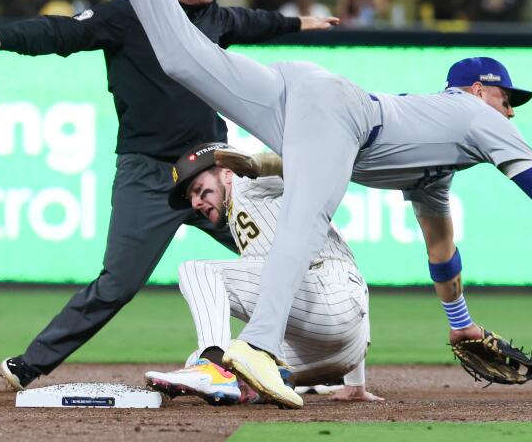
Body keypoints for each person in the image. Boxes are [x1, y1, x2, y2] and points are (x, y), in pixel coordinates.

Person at [41, 0, 532, 409]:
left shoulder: (438, 162)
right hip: (331, 112)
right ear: (480, 88)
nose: (511, 110)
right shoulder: (478, 116)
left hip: (306, 102)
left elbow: (441, 247)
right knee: (307, 220)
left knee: (180, 55)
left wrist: (461, 325)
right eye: (509, 96)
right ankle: (254, 347)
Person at [0, 0, 338, 392]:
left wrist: (302, 23)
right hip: (148, 174)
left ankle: (301, 362)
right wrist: (3, 37)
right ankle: (31, 364)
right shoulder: (127, 15)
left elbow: (259, 21)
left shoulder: (215, 19)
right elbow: (62, 31)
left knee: (285, 257)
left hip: (215, 170)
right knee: (118, 283)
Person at [143, 143, 381, 405]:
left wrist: (258, 165)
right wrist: (355, 384)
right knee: (214, 358)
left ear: (226, 172)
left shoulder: (246, 182)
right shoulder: (239, 217)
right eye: (191, 197)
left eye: (199, 190)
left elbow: (307, 167)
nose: (196, 202)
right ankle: (250, 383)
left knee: (197, 270)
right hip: (341, 353)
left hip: (333, 298)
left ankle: (212, 370)